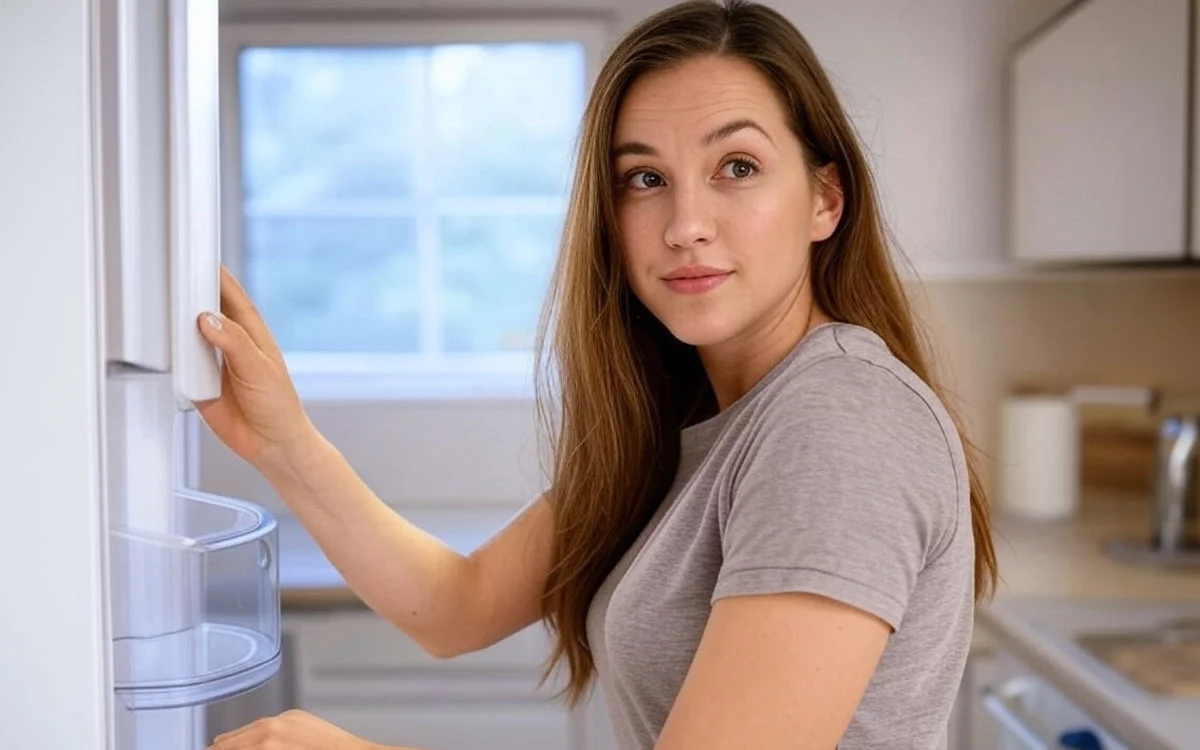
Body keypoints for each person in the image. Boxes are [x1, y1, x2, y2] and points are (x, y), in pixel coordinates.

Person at [200, 1, 997, 748]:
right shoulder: (693, 427)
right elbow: (456, 606)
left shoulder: (840, 420)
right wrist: (283, 442)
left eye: (737, 166)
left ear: (825, 201)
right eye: (645, 179)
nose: (685, 225)